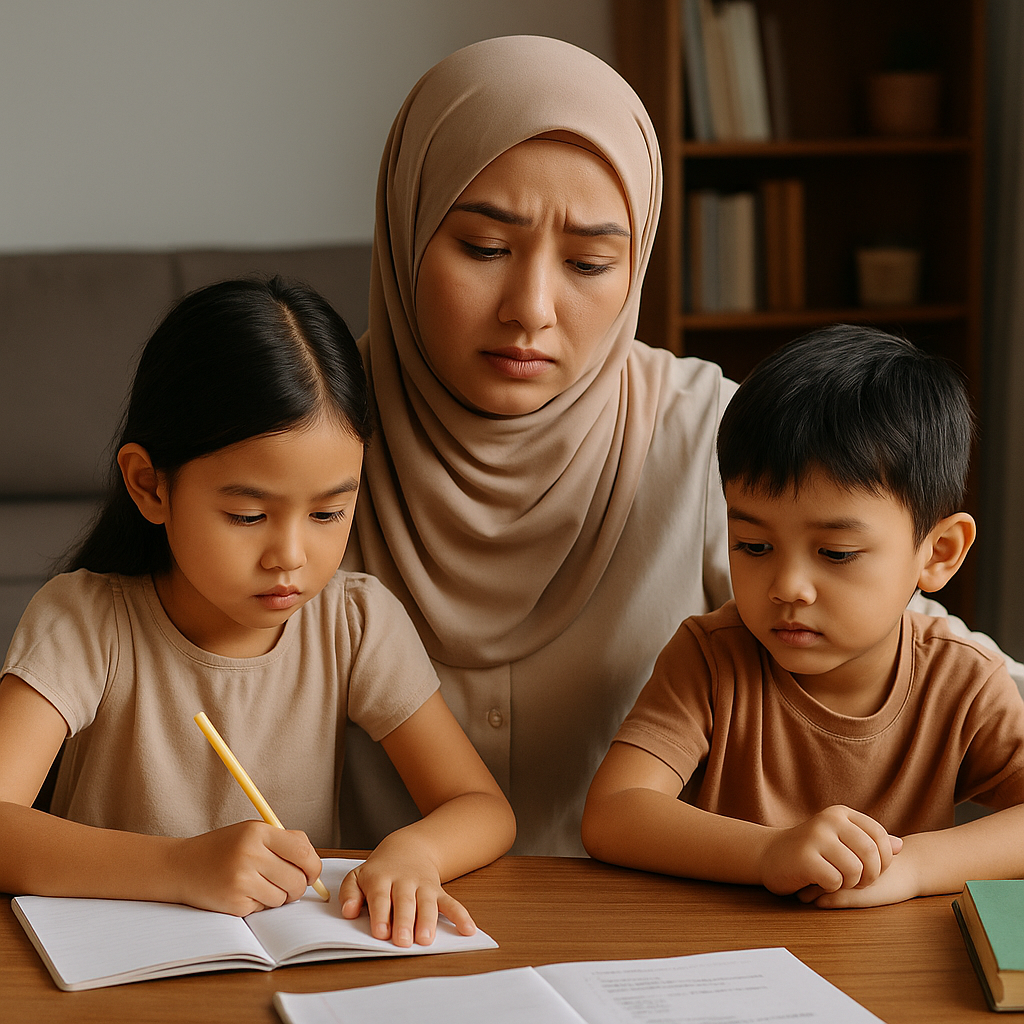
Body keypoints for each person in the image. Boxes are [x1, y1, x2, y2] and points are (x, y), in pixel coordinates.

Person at [338, 33, 1023, 858]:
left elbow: (897, 613)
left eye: (590, 261)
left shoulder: (707, 432)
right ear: (406, 225)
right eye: (484, 248)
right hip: (366, 922)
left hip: (650, 939)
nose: (531, 308)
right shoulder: (305, 436)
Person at [0, 277, 515, 947]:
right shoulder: (85, 622)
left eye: (330, 512)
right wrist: (179, 866)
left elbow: (481, 808)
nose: (291, 557)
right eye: (248, 515)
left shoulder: (353, 623)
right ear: (149, 486)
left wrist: (415, 854)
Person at [582, 326, 1024, 907]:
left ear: (938, 553)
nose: (787, 588)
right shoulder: (712, 657)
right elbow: (613, 814)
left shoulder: (963, 681)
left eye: (836, 554)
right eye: (753, 547)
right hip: (731, 965)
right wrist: (769, 852)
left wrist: (913, 867)